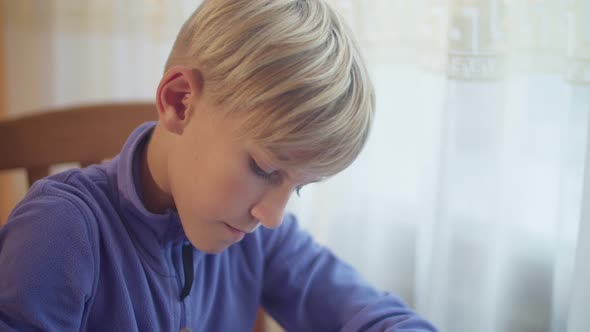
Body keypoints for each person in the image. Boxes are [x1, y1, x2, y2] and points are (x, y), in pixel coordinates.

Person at [0, 0, 438, 331]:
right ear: (180, 101)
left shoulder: (261, 238)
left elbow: (367, 313)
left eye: (298, 187)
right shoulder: (59, 232)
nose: (272, 216)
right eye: (264, 168)